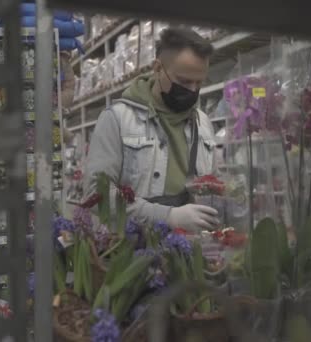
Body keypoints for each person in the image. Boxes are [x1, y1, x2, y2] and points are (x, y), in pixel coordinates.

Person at [84, 27, 219, 232]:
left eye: (198, 82)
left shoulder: (204, 124)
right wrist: (167, 216)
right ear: (157, 69)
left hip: (191, 248)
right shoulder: (117, 119)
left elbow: (214, 185)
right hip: (132, 251)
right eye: (183, 81)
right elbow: (97, 196)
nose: (192, 90)